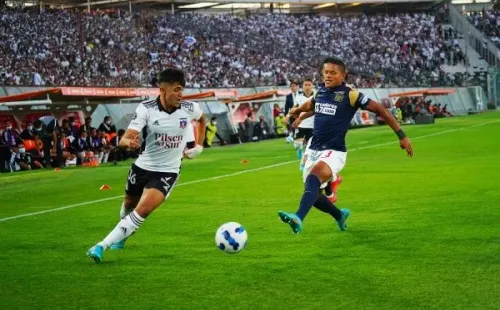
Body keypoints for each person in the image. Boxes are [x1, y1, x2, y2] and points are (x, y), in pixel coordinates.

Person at [279, 57, 413, 234]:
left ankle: (298, 217)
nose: (327, 76)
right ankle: (339, 215)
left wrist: (401, 136)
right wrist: (298, 112)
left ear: (343, 75)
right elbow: (311, 105)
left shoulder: (351, 94)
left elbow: (381, 110)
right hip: (313, 149)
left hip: (334, 151)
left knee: (313, 178)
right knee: (315, 196)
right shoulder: (321, 92)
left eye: (333, 73)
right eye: (325, 72)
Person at [87, 68, 206, 263]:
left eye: (182, 90)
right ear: (162, 89)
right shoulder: (146, 108)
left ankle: (101, 245)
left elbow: (202, 119)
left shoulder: (189, 108)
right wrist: (128, 143)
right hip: (142, 167)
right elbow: (126, 138)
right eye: (176, 90)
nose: (180, 94)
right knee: (129, 205)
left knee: (142, 210)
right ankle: (122, 236)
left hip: (167, 172)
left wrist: (199, 146)